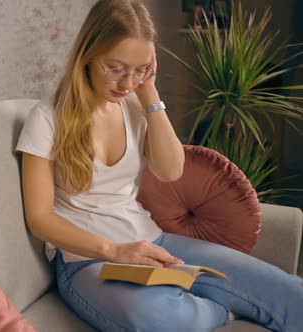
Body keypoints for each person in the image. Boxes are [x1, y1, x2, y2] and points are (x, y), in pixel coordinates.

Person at [15, 1, 303, 331]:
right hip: (87, 260)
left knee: (290, 291)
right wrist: (114, 250)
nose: (126, 83)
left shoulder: (136, 105)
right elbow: (39, 218)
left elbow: (171, 170)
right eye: (116, 68)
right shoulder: (47, 118)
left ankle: (206, 297)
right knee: (156, 316)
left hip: (152, 242)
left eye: (139, 70)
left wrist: (149, 91)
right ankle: (224, 310)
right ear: (88, 54)